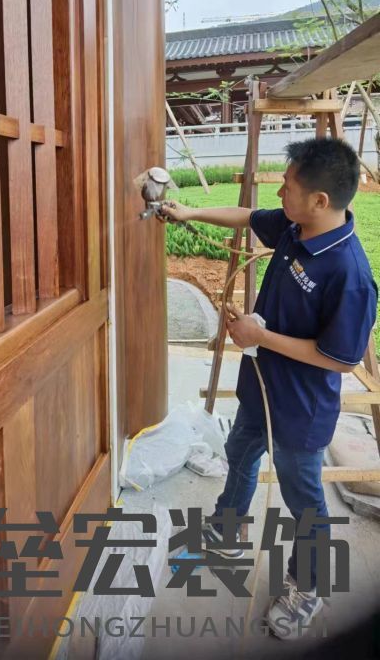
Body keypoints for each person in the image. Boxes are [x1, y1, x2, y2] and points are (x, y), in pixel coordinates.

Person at [160, 137, 378, 640]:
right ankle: (228, 527)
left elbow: (340, 359)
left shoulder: (349, 273)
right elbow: (247, 217)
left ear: (320, 200)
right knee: (240, 450)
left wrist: (259, 336)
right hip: (261, 385)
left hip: (301, 408)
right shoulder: (297, 226)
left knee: (303, 498)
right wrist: (189, 213)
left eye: (288, 186)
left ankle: (310, 586)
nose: (279, 192)